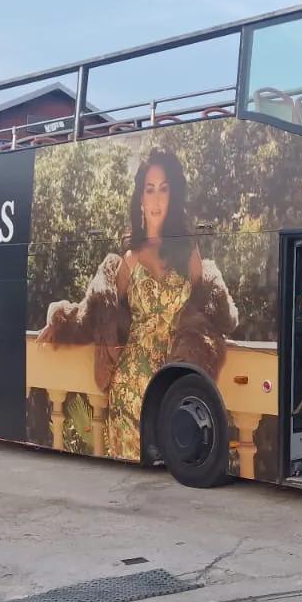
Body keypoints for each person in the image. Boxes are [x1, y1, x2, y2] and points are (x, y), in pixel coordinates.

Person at [102, 149, 200, 461]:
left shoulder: (188, 252)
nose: (156, 199)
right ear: (140, 199)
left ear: (172, 196)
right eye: (149, 189)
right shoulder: (129, 260)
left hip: (174, 384)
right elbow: (106, 315)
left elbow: (203, 311)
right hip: (130, 387)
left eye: (163, 189)